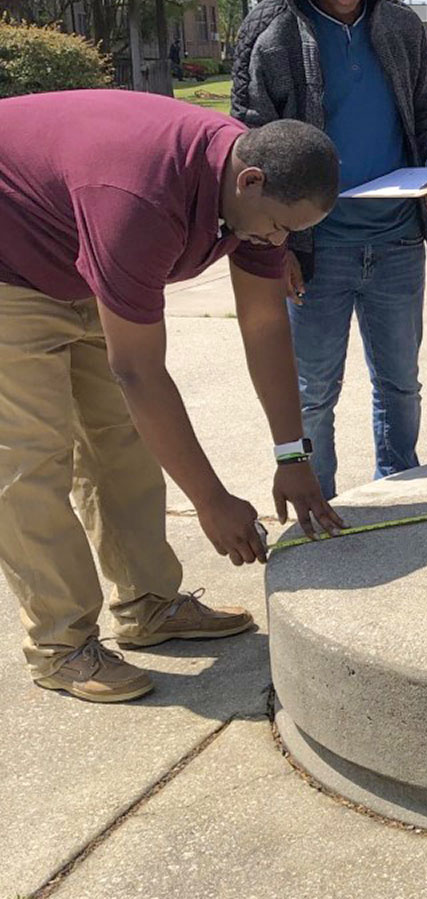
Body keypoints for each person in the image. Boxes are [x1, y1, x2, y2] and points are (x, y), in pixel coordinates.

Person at [0, 90, 343, 704]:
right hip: (9, 264)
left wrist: (292, 455)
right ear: (251, 179)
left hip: (71, 252)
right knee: (32, 457)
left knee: (122, 440)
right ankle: (61, 646)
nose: (279, 240)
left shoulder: (251, 191)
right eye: (282, 227)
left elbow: (264, 326)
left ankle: (147, 605)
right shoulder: (139, 200)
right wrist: (211, 501)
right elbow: (138, 371)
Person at [233, 0, 427, 499]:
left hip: (396, 243)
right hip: (313, 253)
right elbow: (246, 147)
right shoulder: (272, 34)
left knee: (400, 384)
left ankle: (400, 493)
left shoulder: (403, 28)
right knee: (312, 394)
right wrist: (271, 251)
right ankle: (321, 507)